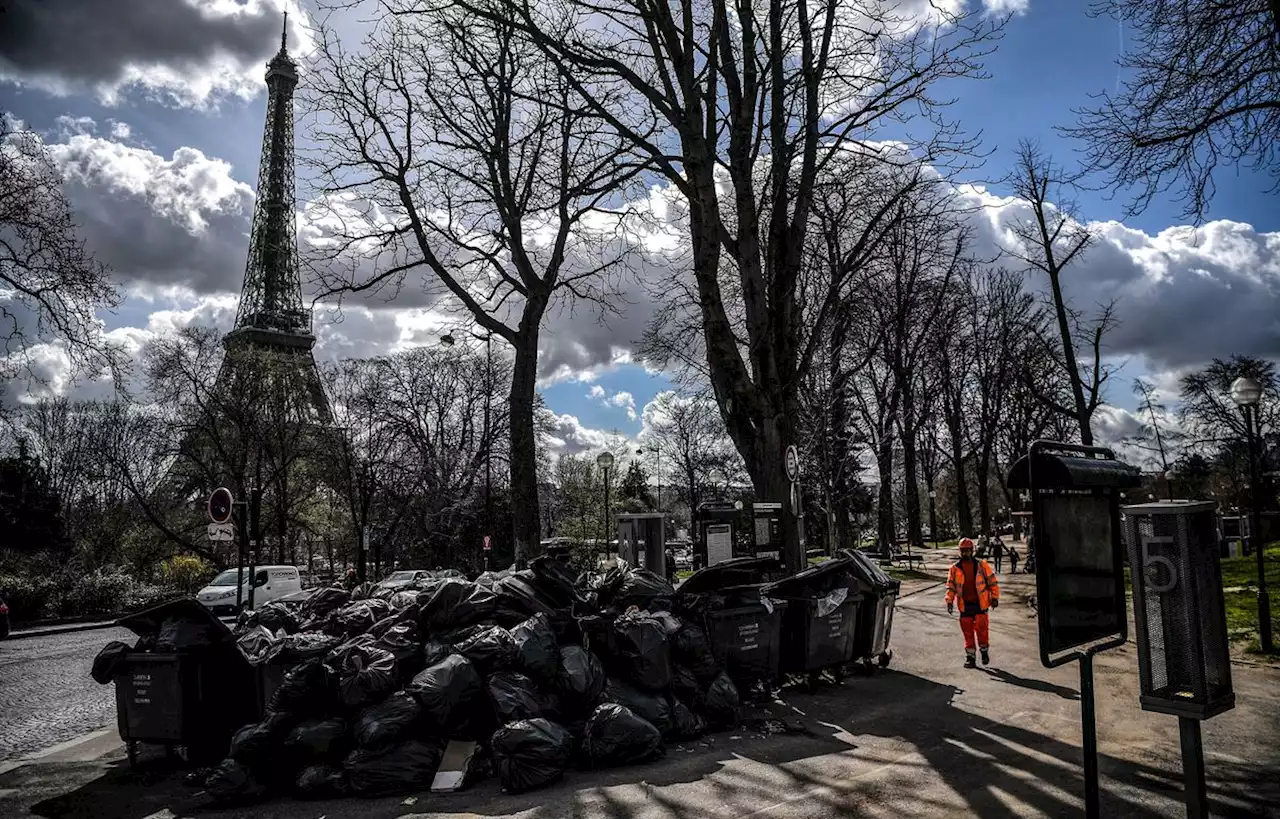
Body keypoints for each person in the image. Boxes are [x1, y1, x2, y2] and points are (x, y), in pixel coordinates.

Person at [945, 537, 1001, 668]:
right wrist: (949, 600)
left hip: (980, 604)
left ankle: (984, 652)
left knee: (982, 630)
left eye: (967, 550)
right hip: (965, 605)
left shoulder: (982, 565)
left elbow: (992, 582)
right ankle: (970, 657)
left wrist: (995, 598)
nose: (965, 553)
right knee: (967, 631)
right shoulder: (955, 568)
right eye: (963, 551)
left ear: (972, 551)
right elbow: (951, 586)